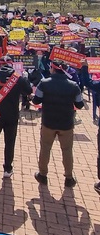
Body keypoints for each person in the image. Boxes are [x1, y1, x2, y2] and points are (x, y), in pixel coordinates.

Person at [32, 58, 84, 187]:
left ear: (52, 68)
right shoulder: (73, 86)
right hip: (66, 123)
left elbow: (36, 101)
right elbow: (80, 104)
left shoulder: (44, 83)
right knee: (67, 150)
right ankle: (69, 178)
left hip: (48, 122)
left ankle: (42, 175)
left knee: (45, 148)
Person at [0, 55, 33, 178]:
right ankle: (7, 169)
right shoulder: (19, 78)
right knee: (10, 142)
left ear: (0, 65)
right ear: (12, 65)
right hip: (12, 114)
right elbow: (29, 91)